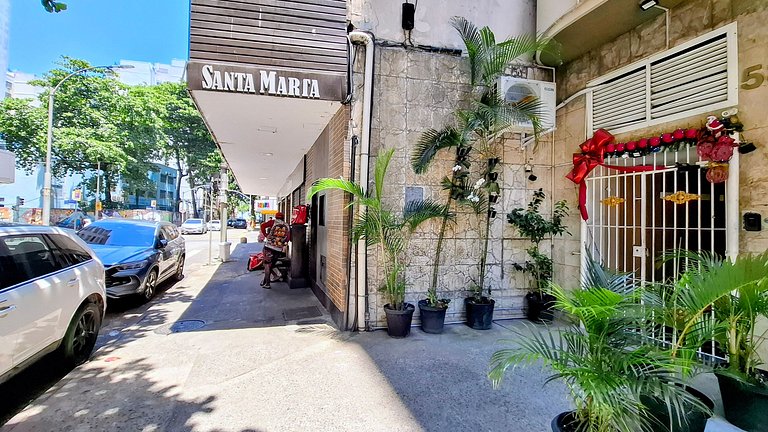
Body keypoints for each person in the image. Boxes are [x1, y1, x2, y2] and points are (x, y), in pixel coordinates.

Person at [261, 212, 289, 289]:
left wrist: (266, 235)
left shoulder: (273, 222)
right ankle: (264, 281)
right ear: (283, 218)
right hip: (278, 249)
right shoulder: (286, 225)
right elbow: (288, 238)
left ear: (276, 217)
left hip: (269, 247)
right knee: (271, 264)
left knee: (267, 264)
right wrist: (281, 241)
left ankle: (267, 283)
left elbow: (262, 225)